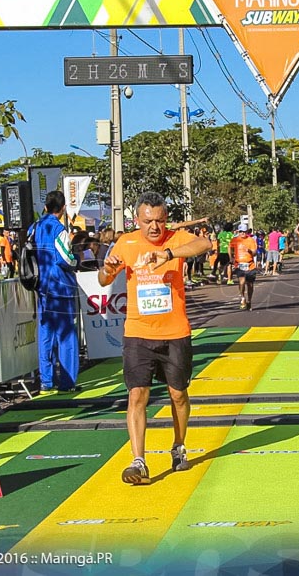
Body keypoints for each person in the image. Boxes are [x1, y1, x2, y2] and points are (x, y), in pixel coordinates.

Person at [99, 192, 213, 484]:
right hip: (138, 332)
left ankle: (179, 445)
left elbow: (205, 244)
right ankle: (139, 461)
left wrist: (169, 255)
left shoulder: (175, 239)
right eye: (148, 221)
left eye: (160, 221)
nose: (154, 227)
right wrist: (108, 270)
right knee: (137, 394)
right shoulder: (126, 243)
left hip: (175, 332)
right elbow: (103, 279)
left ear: (166, 220)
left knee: (178, 394)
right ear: (137, 220)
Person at [32, 191, 80, 393]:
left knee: (46, 336)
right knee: (67, 336)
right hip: (60, 286)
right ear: (62, 209)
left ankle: (46, 381)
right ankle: (67, 382)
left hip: (42, 287)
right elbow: (63, 258)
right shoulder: (58, 228)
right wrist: (76, 261)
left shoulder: (34, 227)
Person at [230, 224, 258, 310]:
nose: (242, 233)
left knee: (250, 285)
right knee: (241, 282)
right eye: (241, 231)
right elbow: (230, 249)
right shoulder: (234, 240)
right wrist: (231, 258)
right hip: (239, 264)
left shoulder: (251, 240)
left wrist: (250, 251)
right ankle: (242, 298)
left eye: (244, 231)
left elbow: (255, 253)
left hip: (250, 265)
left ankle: (249, 300)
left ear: (247, 232)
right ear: (238, 231)